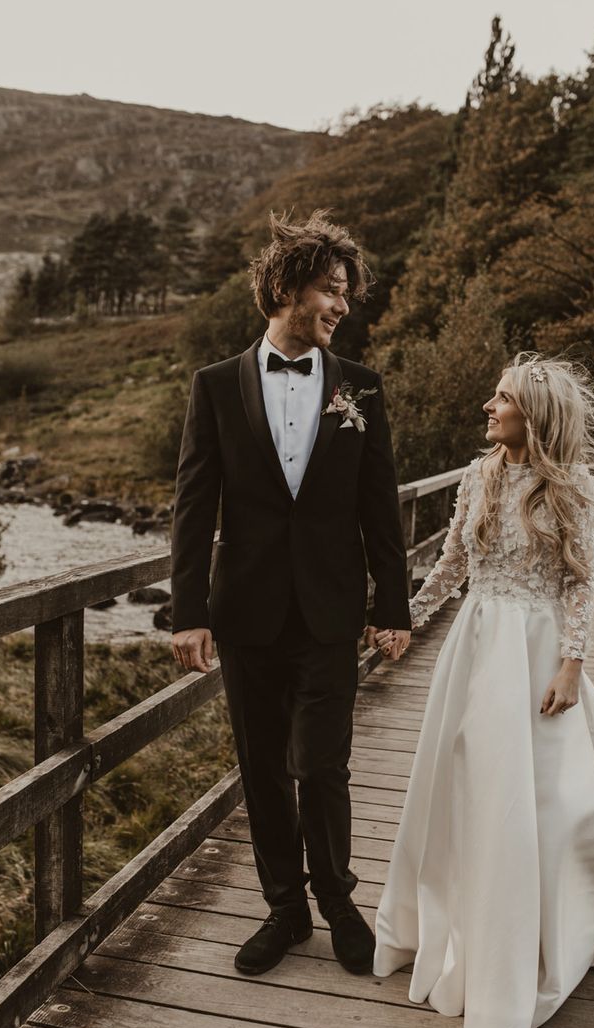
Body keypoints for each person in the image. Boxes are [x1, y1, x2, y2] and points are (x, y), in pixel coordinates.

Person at [372, 353, 594, 1028]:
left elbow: (582, 581)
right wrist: (407, 616)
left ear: (532, 416)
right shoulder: (476, 476)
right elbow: (452, 561)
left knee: (529, 797)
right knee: (463, 783)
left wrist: (573, 664)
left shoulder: (571, 488)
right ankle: (450, 919)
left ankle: (524, 939)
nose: (489, 405)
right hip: (474, 643)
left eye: (501, 398)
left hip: (536, 647)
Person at [170, 210, 411, 978]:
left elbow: (381, 505)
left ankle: (338, 900)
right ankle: (284, 908)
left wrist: (393, 607)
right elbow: (192, 505)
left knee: (324, 764)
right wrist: (188, 613)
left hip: (331, 611)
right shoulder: (214, 387)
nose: (342, 306)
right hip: (245, 614)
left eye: (345, 293)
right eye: (330, 290)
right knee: (262, 766)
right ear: (285, 287)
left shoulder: (361, 391)